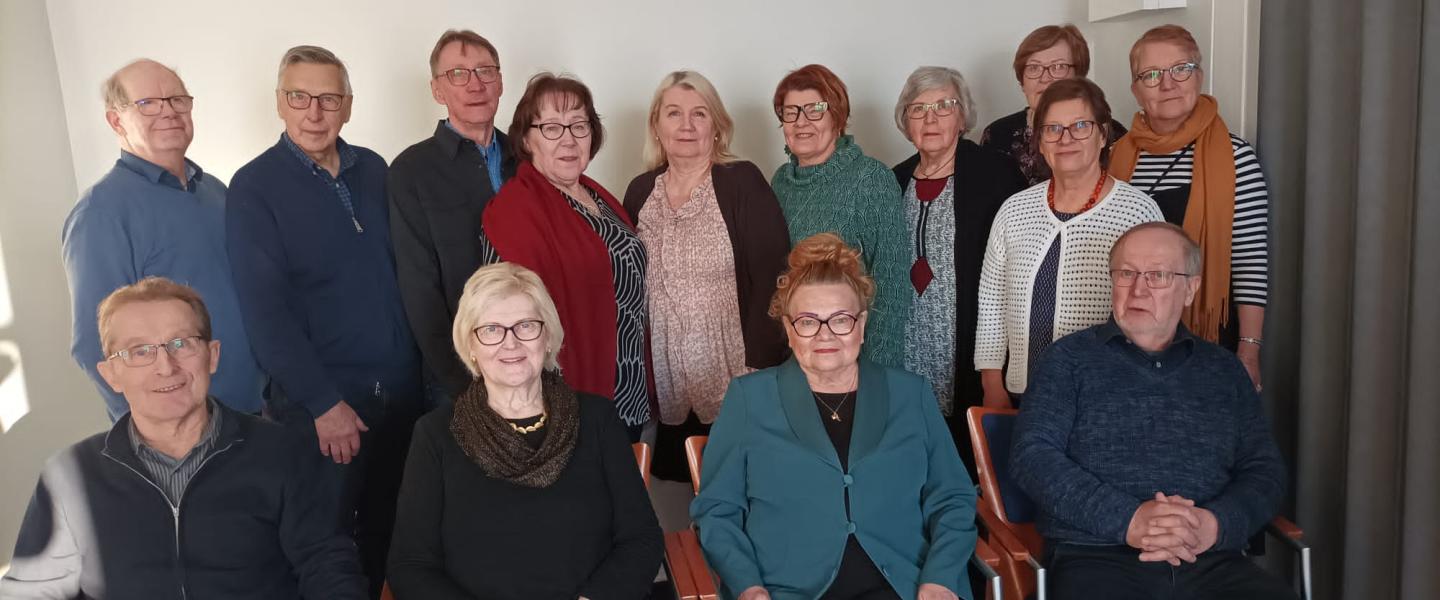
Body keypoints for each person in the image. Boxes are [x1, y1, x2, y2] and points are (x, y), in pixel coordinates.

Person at [1, 277, 365, 600]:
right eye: (140, 351)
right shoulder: (70, 476)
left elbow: (328, 569)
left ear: (212, 356)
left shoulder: (281, 453)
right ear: (111, 374)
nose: (166, 367)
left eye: (181, 343)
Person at [225, 45, 423, 597]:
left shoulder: (375, 169)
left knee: (393, 536)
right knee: (324, 550)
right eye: (300, 97)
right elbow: (265, 313)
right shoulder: (253, 187)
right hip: (325, 410)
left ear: (348, 106)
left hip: (400, 397)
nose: (314, 112)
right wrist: (322, 404)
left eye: (329, 99)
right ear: (279, 103)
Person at [1011, 222, 1294, 600]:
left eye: (1158, 275)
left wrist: (1214, 524)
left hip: (1209, 559)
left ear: (1190, 289)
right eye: (1126, 273)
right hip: (1095, 557)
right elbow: (1032, 457)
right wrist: (1128, 519)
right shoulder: (1068, 359)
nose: (1138, 289)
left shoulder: (1224, 371)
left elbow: (1265, 470)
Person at [692, 233, 978, 600]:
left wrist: (939, 579)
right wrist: (749, 587)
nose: (825, 335)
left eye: (840, 319)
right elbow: (717, 510)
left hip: (906, 588)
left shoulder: (911, 394)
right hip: (787, 592)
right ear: (789, 330)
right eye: (808, 321)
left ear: (861, 325)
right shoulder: (749, 399)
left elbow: (953, 498)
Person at [386, 263, 663, 599]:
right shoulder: (434, 435)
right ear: (470, 345)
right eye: (491, 329)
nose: (511, 343)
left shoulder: (597, 418)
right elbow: (410, 564)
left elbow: (641, 538)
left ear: (547, 338)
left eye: (526, 326)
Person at [61, 58, 263, 421]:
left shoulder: (214, 191)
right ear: (116, 121)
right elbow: (93, 345)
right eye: (147, 104)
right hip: (182, 429)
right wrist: (155, 431)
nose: (168, 112)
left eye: (177, 100)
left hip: (255, 410)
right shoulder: (101, 212)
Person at [621, 70, 790, 482]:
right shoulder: (640, 191)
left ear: (717, 126)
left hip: (736, 373)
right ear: (656, 125)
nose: (687, 125)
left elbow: (774, 276)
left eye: (699, 113)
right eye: (673, 113)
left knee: (741, 485)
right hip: (669, 378)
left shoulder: (741, 181)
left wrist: (761, 370)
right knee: (685, 488)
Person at [478, 72, 650, 439]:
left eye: (579, 126)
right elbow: (504, 320)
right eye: (552, 128)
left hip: (628, 388)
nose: (569, 139)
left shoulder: (599, 196)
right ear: (527, 139)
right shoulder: (512, 211)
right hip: (564, 401)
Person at [975, 78, 1163, 406]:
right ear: (1040, 142)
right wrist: (992, 382)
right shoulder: (1014, 210)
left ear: (1103, 135)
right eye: (1053, 129)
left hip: (1104, 397)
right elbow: (992, 300)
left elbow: (1157, 310)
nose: (1066, 139)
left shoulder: (1137, 212)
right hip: (1022, 393)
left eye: (1080, 126)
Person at [1109, 24, 1271, 390]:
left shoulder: (1235, 158)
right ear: (1135, 89)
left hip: (1206, 335)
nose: (1168, 84)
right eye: (1152, 75)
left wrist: (1249, 351)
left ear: (1199, 76)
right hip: (1129, 333)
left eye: (1180, 69)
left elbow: (1249, 263)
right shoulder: (1115, 156)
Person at [890, 66, 1026, 471]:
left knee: (969, 465)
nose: (930, 118)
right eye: (918, 109)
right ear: (905, 121)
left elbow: (1014, 278)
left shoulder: (996, 175)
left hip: (970, 351)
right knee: (912, 458)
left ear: (963, 117)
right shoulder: (893, 180)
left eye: (944, 106)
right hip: (907, 352)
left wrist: (995, 373)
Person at [390, 29, 518, 406]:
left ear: (500, 83)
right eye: (458, 74)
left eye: (485, 71)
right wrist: (462, 384)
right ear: (437, 90)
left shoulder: (528, 157)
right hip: (457, 376)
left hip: (531, 358)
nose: (475, 84)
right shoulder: (411, 171)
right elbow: (419, 290)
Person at [769, 64, 910, 368]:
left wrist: (877, 371)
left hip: (852, 358)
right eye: (791, 112)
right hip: (795, 354)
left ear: (837, 117)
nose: (801, 121)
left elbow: (892, 285)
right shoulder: (780, 182)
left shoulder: (871, 178)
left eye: (814, 110)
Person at [980, 24, 1128, 186]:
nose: (1045, 78)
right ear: (1022, 81)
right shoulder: (997, 135)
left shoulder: (1113, 134)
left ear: (1079, 76)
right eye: (1034, 68)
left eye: (1058, 67)